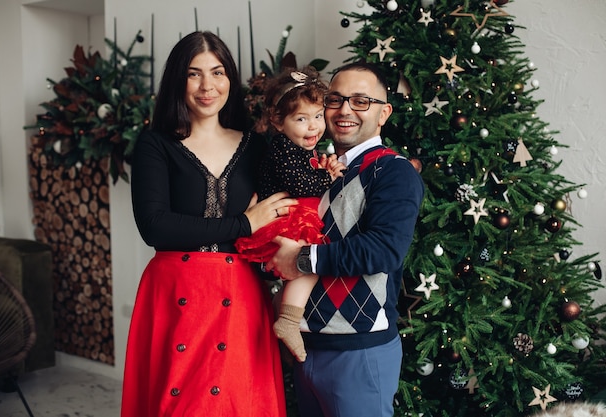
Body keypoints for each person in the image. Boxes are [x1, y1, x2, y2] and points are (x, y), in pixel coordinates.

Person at [122, 31, 295, 417]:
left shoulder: (257, 146)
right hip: (176, 294)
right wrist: (243, 224)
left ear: (229, 79)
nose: (207, 86)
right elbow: (156, 227)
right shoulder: (155, 145)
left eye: (217, 72)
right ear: (177, 82)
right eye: (193, 74)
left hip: (242, 295)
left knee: (240, 401)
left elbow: (281, 214)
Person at [265, 62, 425, 417]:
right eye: (335, 99)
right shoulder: (315, 167)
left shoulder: (392, 170)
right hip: (305, 345)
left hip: (358, 348)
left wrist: (302, 258)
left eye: (361, 101)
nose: (345, 110)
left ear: (384, 113)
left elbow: (384, 250)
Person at [234, 67, 345, 363]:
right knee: (311, 261)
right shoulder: (282, 149)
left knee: (308, 265)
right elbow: (299, 184)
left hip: (295, 218)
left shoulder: (300, 149)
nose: (313, 127)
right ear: (277, 122)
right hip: (284, 221)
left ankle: (280, 310)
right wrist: (328, 179)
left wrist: (324, 169)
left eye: (318, 116)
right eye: (301, 119)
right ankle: (289, 320)